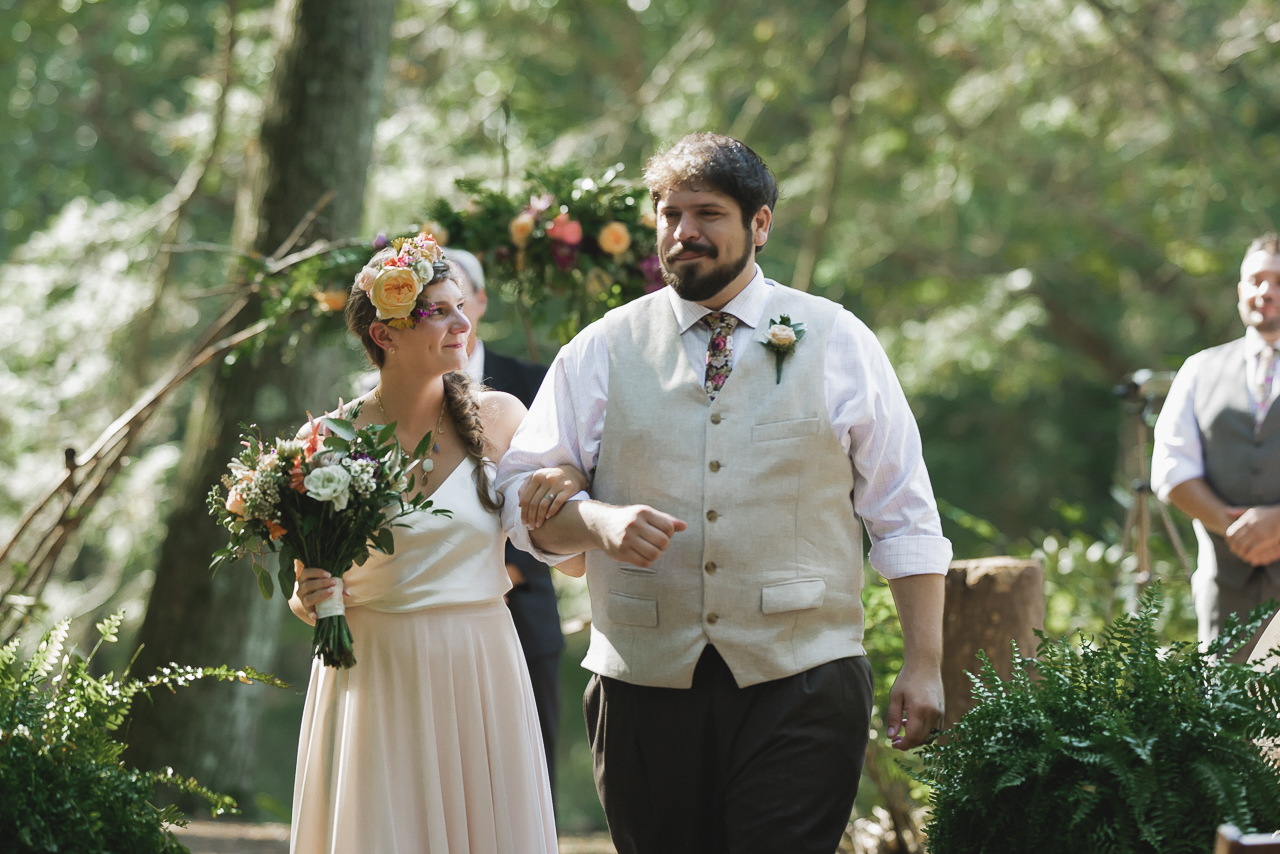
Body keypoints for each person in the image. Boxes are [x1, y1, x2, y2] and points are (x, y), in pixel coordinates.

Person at [498, 133, 952, 854]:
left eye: (707, 213)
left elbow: (903, 511)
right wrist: (595, 522)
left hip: (803, 677)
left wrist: (924, 663)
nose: (684, 232)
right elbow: (521, 497)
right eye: (669, 214)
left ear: (759, 223)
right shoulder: (601, 347)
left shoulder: (838, 339)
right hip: (641, 684)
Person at [287, 236, 584, 853]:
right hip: (374, 670)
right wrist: (309, 594)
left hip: (479, 662)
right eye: (439, 312)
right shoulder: (325, 440)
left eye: (461, 308)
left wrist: (572, 484)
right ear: (384, 335)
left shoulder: (501, 418)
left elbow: (563, 545)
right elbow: (306, 587)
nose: (462, 323)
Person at [448, 246, 566, 800]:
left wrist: (508, 566)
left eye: (458, 299)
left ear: (480, 301)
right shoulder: (379, 404)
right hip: (424, 617)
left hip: (522, 608)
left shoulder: (531, 383)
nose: (450, 316)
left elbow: (555, 484)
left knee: (525, 778)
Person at [1153, 233, 1280, 660]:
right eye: (1256, 280)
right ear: (1241, 290)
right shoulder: (1198, 369)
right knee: (1226, 703)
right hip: (1226, 594)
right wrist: (1235, 530)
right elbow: (1171, 468)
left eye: (1279, 281)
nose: (1266, 291)